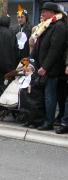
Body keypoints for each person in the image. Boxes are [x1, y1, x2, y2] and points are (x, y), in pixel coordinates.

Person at [31, 2, 67, 131]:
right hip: (42, 66)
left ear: (52, 13)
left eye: (45, 11)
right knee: (46, 95)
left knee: (50, 96)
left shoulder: (59, 26)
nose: (42, 13)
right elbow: (39, 45)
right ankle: (42, 119)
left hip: (52, 69)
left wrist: (45, 67)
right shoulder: (46, 25)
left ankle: (49, 121)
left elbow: (54, 49)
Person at [0, 15, 18, 94]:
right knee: (8, 83)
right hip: (10, 64)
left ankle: (1, 95)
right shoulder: (12, 34)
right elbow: (16, 50)